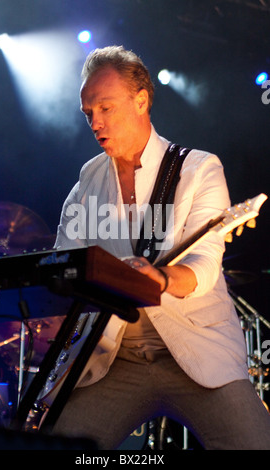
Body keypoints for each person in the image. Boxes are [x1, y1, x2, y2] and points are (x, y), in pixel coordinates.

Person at [51, 45, 270, 449]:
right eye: (88, 113)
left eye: (105, 108)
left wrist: (162, 278)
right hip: (115, 357)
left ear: (141, 101)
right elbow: (65, 266)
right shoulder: (85, 186)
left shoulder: (199, 169)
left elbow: (205, 265)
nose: (95, 122)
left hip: (198, 353)